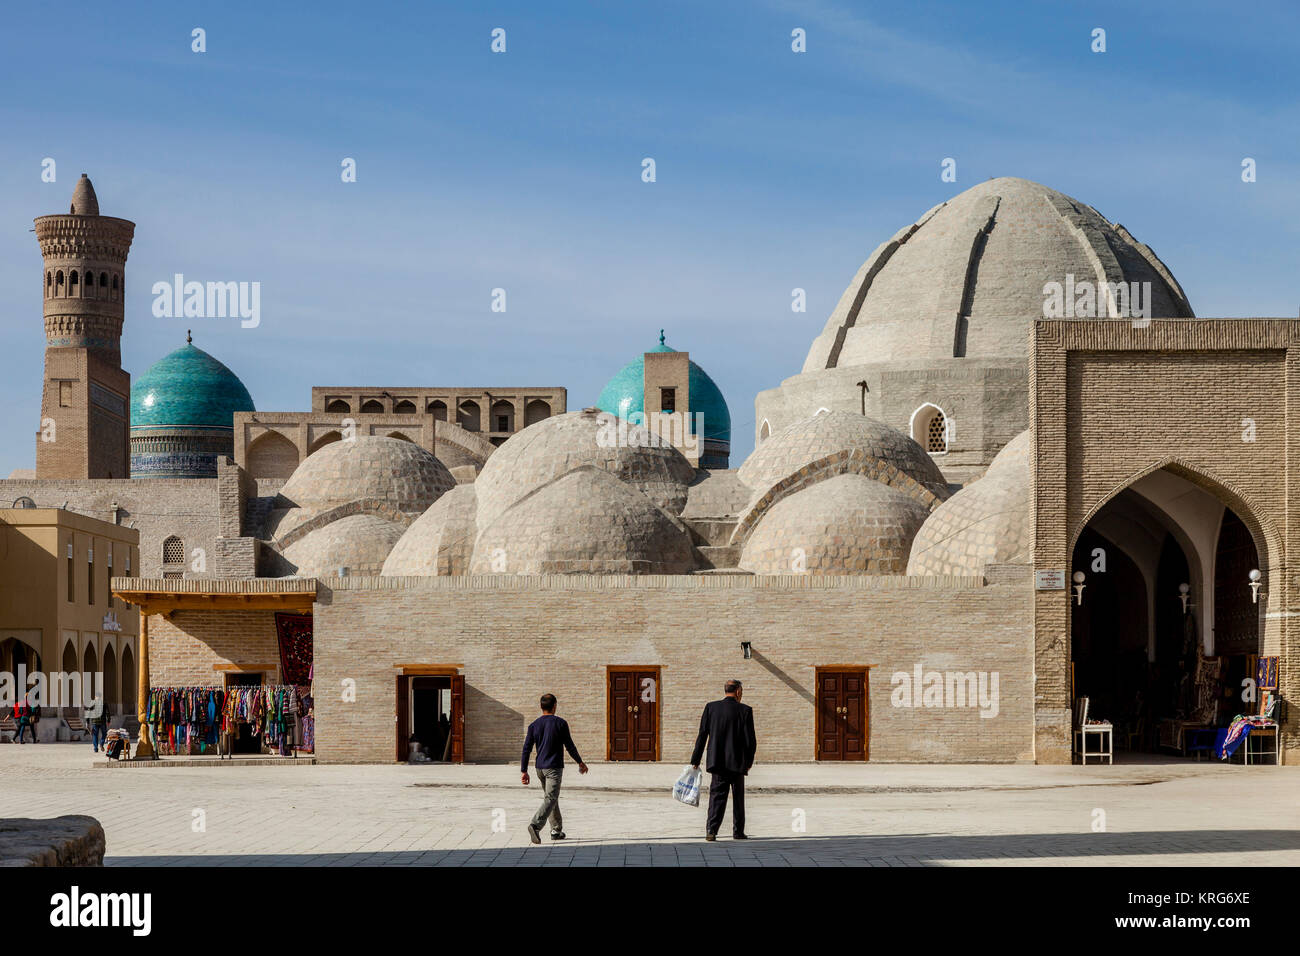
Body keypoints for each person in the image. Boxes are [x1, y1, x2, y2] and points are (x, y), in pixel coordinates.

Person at [691, 678, 757, 841]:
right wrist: (748, 762)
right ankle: (738, 832)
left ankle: (711, 831)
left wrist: (696, 759)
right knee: (738, 798)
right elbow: (751, 741)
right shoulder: (745, 710)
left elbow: (702, 734)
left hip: (717, 761)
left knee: (716, 797)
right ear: (738, 691)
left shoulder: (711, 708)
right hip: (737, 762)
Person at [520, 693, 588, 844]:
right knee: (551, 798)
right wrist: (580, 762)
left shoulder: (534, 725)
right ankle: (535, 825)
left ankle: (556, 830)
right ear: (555, 706)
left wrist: (524, 770)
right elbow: (569, 746)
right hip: (553, 768)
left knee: (551, 798)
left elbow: (526, 749)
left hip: (539, 768)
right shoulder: (560, 723)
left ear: (541, 706)